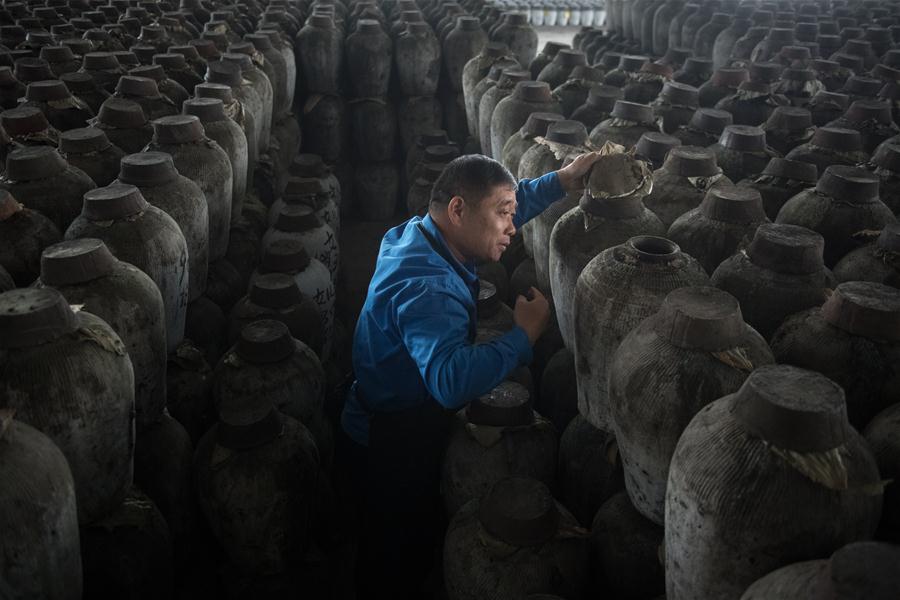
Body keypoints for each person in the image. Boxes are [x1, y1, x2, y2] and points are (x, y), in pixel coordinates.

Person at [339, 152, 600, 598]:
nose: (512, 227)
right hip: (391, 439)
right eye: (504, 215)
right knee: (394, 556)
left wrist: (561, 181)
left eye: (511, 213)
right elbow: (449, 382)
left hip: (375, 407)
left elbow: (500, 206)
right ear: (457, 210)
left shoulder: (418, 235)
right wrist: (522, 336)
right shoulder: (429, 289)